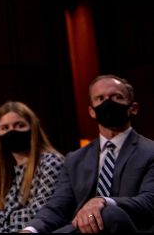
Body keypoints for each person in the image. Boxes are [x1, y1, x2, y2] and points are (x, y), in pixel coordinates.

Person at [24, 75, 154, 233]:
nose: (108, 103)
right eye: (100, 98)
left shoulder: (150, 151)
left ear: (133, 108)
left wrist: (104, 201)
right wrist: (30, 230)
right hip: (80, 230)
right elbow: (58, 207)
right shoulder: (75, 159)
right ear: (92, 111)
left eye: (117, 97)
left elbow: (150, 200)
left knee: (109, 213)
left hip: (130, 227)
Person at [0, 101, 64, 232]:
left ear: (32, 128)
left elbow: (39, 215)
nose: (12, 132)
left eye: (20, 125)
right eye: (5, 128)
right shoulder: (5, 170)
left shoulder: (50, 162)